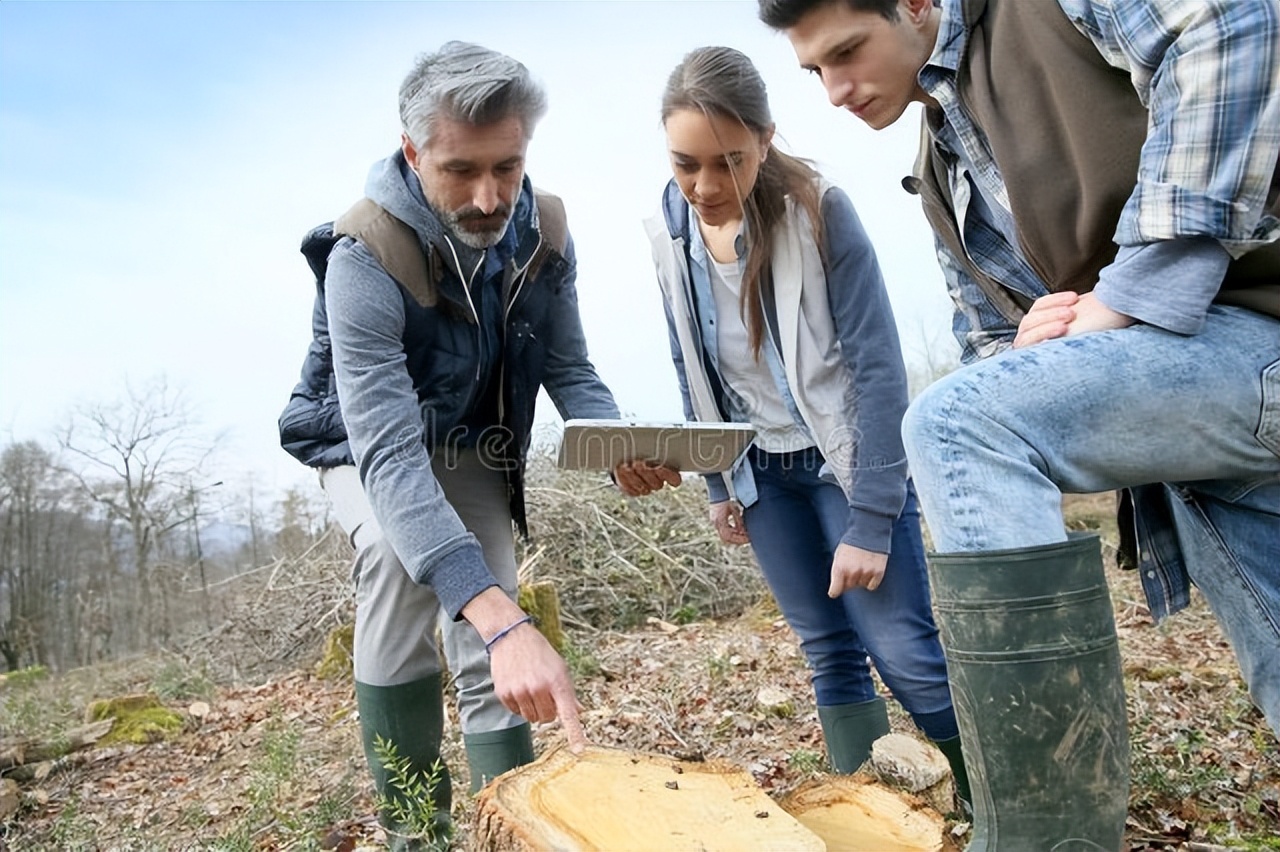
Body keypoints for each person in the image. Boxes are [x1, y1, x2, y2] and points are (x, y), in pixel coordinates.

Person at [759, 0, 1280, 848]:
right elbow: (988, 344)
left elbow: (1233, 24)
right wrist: (1025, 341)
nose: (834, 90)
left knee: (953, 427)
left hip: (1255, 336)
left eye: (847, 52)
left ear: (919, 5)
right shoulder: (939, 169)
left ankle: (1044, 840)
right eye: (814, 71)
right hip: (1198, 407)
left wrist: (1127, 292)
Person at [278, 41, 675, 849]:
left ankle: (511, 826)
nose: (490, 195)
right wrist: (500, 620)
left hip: (470, 443)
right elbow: (387, 454)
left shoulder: (545, 227)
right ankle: (416, 833)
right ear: (412, 151)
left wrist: (614, 445)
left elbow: (569, 365)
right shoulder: (360, 256)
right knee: (403, 559)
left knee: (489, 601)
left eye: (508, 165)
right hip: (359, 441)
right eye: (461, 170)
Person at [643, 45, 970, 808]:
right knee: (827, 649)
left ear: (765, 138)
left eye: (729, 161)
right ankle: (866, 810)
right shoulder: (668, 231)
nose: (705, 185)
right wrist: (717, 486)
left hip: (846, 467)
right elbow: (687, 357)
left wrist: (873, 517)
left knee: (903, 650)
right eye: (686, 163)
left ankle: (999, 796)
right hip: (761, 476)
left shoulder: (820, 210)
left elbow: (881, 371)